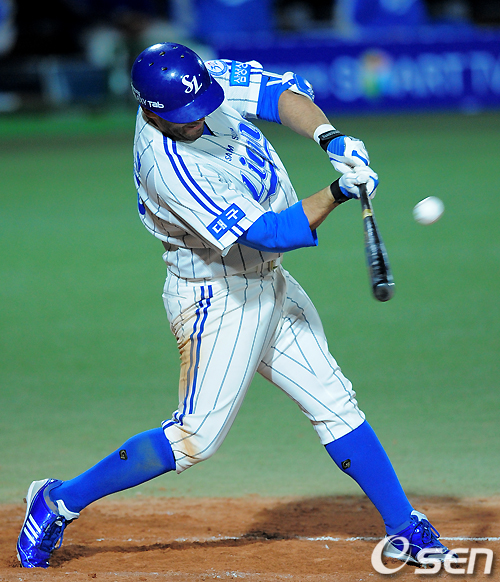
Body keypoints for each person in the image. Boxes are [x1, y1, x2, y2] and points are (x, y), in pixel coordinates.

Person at [17, 42, 455, 570]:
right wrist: (339, 191)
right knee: (195, 438)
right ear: (151, 111)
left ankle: (404, 527)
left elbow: (277, 94)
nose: (198, 119)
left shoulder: (198, 82)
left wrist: (331, 137)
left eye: (202, 106)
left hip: (269, 283)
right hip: (217, 299)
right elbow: (270, 233)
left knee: (335, 402)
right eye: (184, 116)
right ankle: (57, 501)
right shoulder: (167, 167)